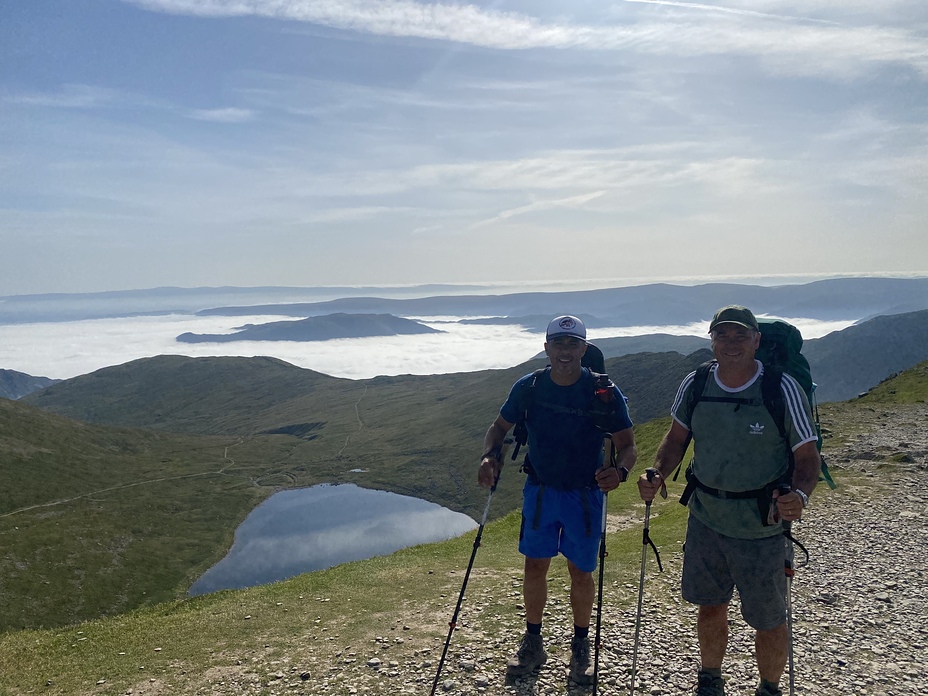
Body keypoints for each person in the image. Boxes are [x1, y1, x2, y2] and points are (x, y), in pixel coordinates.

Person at [637, 305, 821, 696]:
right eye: (723, 335)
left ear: (757, 340)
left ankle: (769, 687)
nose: (731, 343)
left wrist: (800, 496)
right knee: (710, 605)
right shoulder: (697, 382)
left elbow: (807, 457)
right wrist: (657, 473)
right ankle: (710, 678)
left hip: (763, 527)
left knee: (769, 619)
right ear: (712, 340)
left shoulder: (780, 388)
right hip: (706, 518)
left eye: (741, 335)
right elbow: (675, 439)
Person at [478, 315, 637, 685]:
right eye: (558, 344)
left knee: (581, 570)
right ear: (547, 347)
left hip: (585, 493)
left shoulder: (603, 392)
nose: (565, 352)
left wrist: (622, 472)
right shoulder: (529, 387)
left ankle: (580, 646)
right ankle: (533, 641)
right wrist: (489, 456)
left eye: (573, 345)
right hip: (542, 489)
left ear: (584, 348)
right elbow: (499, 428)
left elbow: (627, 443)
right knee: (535, 566)